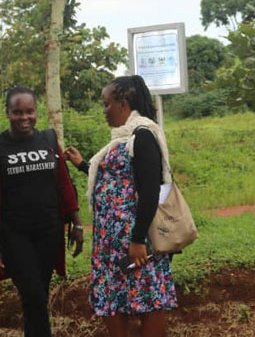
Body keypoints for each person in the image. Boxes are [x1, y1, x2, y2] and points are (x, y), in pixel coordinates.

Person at [65, 75, 177, 337]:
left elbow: (150, 192)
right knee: (113, 301)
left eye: (106, 104)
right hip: (109, 243)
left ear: (123, 104)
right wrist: (83, 165)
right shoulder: (123, 138)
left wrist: (137, 239)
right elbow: (115, 179)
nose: (104, 111)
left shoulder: (143, 136)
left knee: (150, 298)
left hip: (135, 241)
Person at [0, 85, 84, 337]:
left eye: (30, 111)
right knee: (33, 294)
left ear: (36, 111)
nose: (25, 118)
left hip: (49, 231)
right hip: (15, 236)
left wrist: (77, 223)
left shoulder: (48, 140)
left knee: (37, 297)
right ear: (7, 112)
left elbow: (64, 184)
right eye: (17, 112)